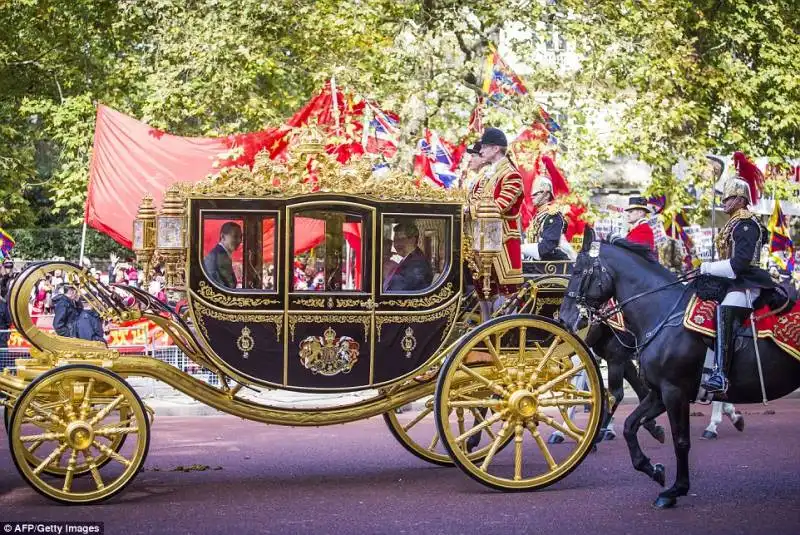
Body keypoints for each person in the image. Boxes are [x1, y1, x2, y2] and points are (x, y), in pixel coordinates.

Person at [699, 152, 774, 394]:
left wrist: (708, 267)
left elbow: (739, 264)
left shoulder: (746, 224)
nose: (724, 201)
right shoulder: (734, 222)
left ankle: (721, 374)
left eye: (729, 197)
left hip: (746, 283)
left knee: (726, 310)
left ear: (740, 200)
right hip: (732, 282)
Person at [465, 127, 525, 293]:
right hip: (483, 238)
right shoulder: (488, 174)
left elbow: (499, 206)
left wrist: (468, 210)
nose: (481, 150)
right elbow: (476, 199)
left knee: (506, 292)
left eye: (484, 147)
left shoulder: (511, 175)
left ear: (496, 148)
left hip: (502, 243)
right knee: (484, 292)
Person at [522, 155, 575, 261]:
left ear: (546, 195)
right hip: (538, 263)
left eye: (536, 194)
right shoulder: (539, 215)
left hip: (552, 265)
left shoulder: (553, 215)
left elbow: (546, 247)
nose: (532, 197)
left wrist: (521, 249)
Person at [383, 222, 433, 292]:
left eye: (400, 239)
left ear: (412, 240)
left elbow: (397, 289)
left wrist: (388, 274)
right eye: (395, 240)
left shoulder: (418, 263)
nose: (396, 244)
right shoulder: (408, 258)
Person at [203, 222, 242, 289]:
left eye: (240, 237)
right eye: (235, 236)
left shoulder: (219, 253)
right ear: (223, 237)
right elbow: (229, 286)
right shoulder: (220, 255)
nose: (239, 240)